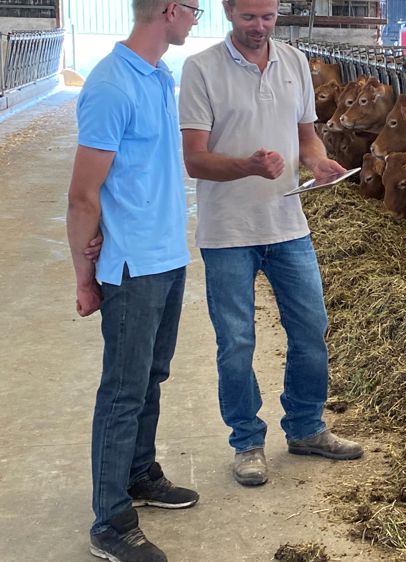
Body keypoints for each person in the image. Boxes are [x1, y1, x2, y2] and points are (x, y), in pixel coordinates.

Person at [178, 0, 363, 488]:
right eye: (248, 18)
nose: (259, 27)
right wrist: (247, 166)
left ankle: (305, 427)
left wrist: (319, 163)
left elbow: (307, 136)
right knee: (236, 342)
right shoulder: (200, 69)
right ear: (227, 12)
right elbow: (194, 160)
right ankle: (246, 441)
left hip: (288, 223)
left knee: (311, 329)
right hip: (228, 232)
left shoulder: (295, 62)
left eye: (267, 17)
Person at [67, 1, 202, 561]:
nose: (196, 20)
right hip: (130, 265)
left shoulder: (159, 73)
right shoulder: (110, 86)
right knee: (122, 389)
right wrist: (84, 274)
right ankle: (110, 518)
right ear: (169, 10)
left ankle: (140, 472)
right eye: (194, 10)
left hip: (166, 255)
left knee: (153, 373)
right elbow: (82, 194)